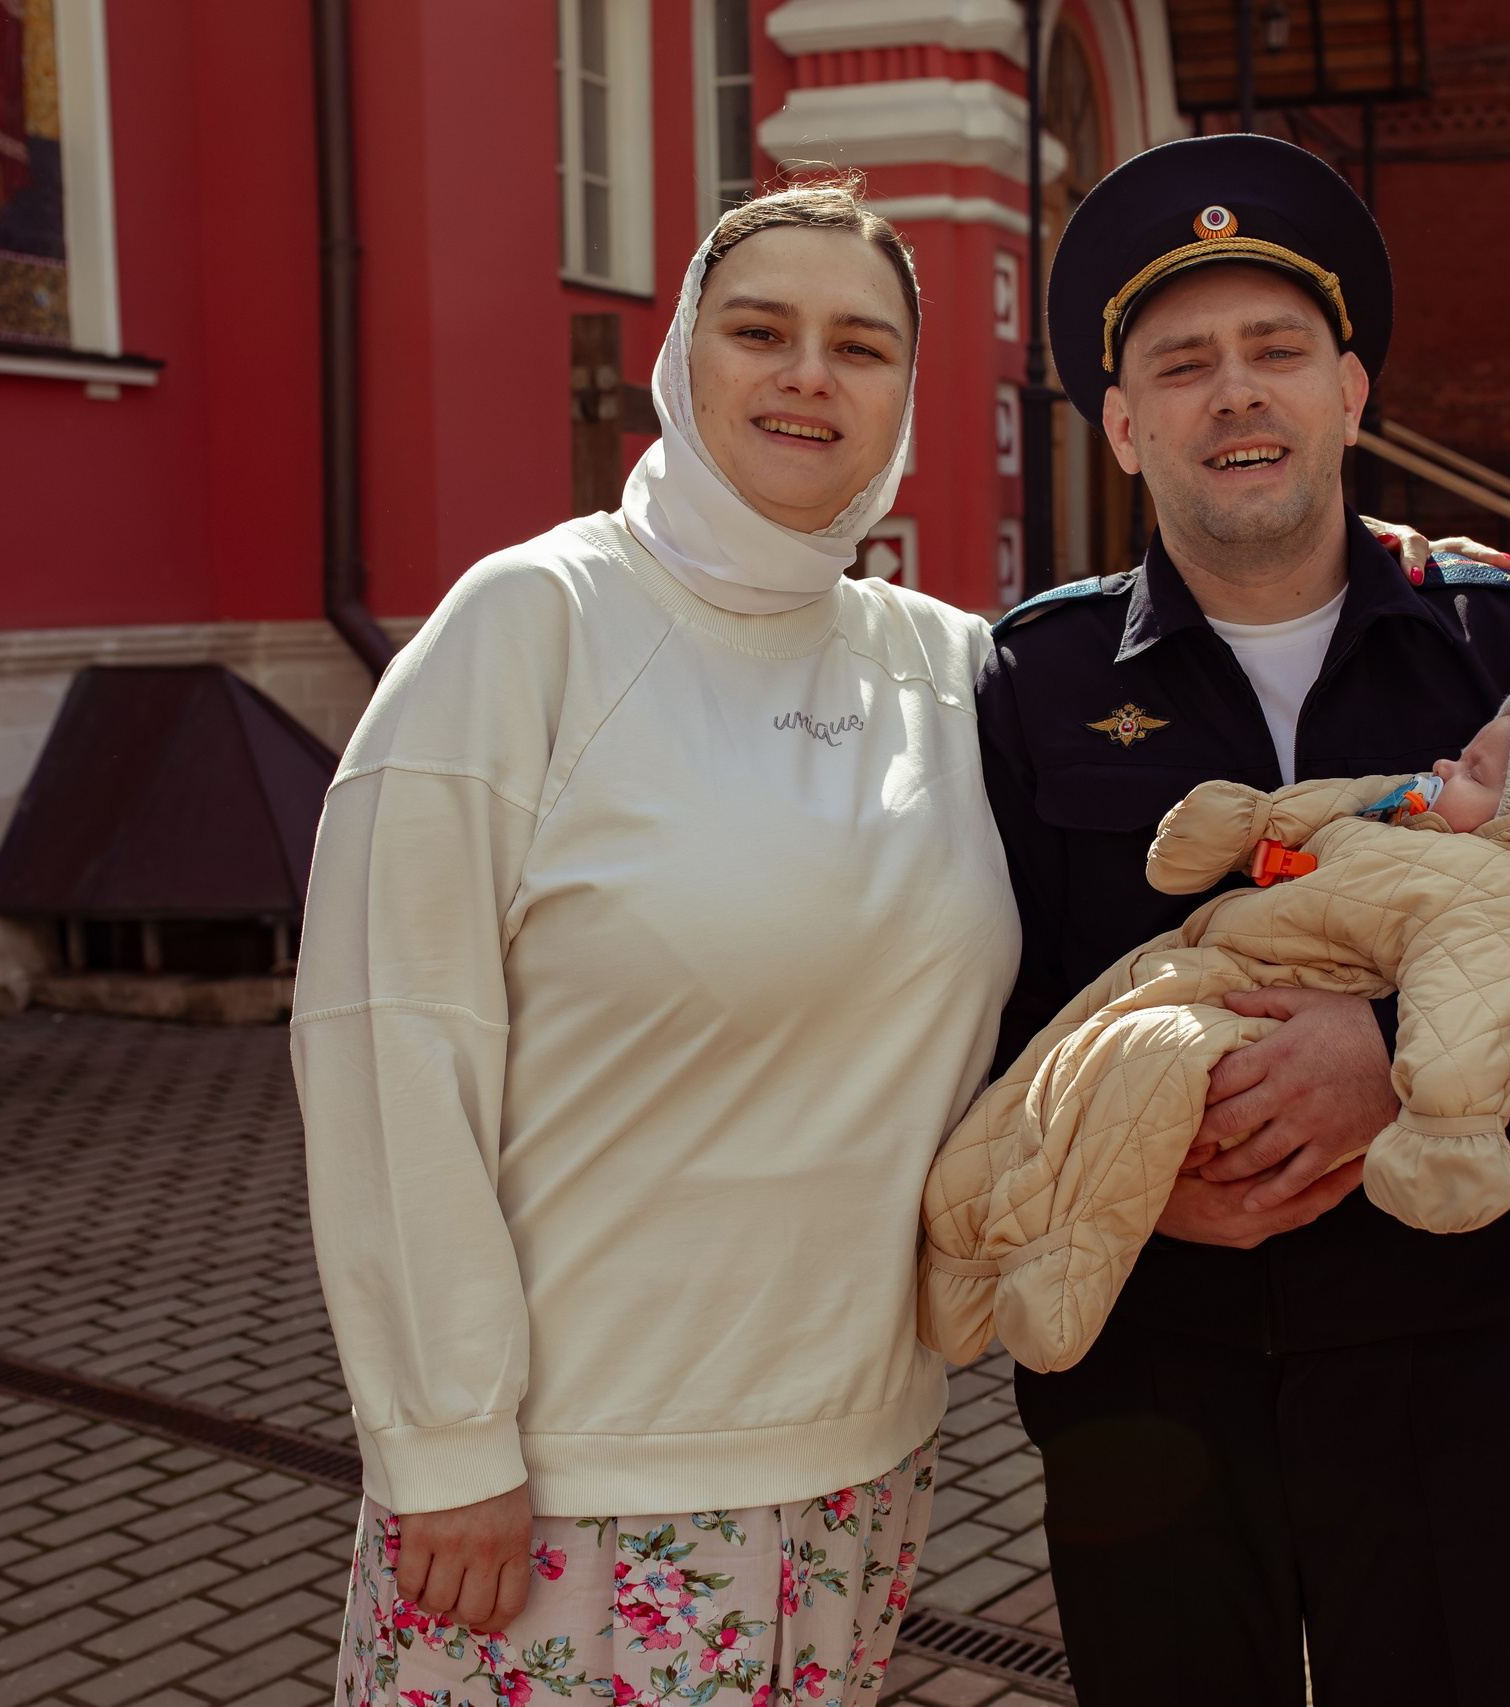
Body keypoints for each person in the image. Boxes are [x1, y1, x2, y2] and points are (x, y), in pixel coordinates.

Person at [978, 133, 1510, 1705]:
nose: (1236, 392)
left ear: (1350, 391)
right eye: (1184, 364)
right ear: (1126, 425)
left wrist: (1396, 1055)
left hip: (1443, 1365)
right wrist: (1119, 1170)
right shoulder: (1040, 677)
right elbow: (993, 1001)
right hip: (1149, 1374)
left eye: (1277, 351)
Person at [292, 180, 1023, 1707]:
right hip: (560, 1489)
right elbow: (386, 1038)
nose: (808, 374)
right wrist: (445, 1440)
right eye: (761, 330)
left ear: (906, 392)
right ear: (682, 361)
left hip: (859, 1464)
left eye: (860, 344)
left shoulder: (951, 669)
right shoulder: (533, 624)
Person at [921, 648, 1510, 1371]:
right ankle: (960, 1258)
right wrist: (1246, 823)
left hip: (1411, 1327)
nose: (1444, 766)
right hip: (1194, 977)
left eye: (1475, 770)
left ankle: (1062, 1263)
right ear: (1123, 438)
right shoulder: (1049, 658)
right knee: (1047, 1071)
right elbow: (1326, 808)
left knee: (1142, 1063)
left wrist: (1420, 1098)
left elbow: (1480, 1011)